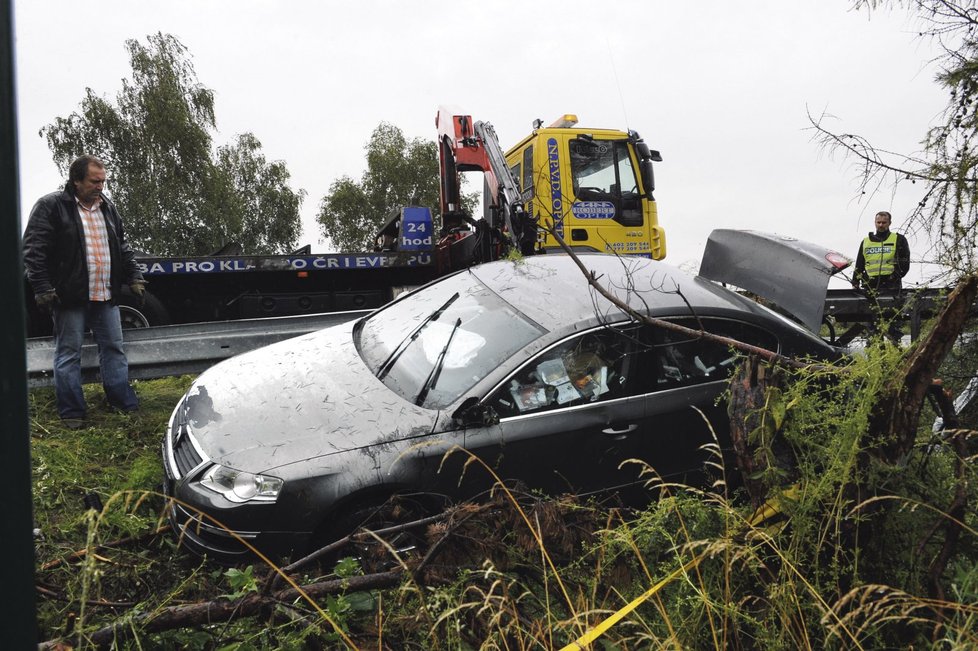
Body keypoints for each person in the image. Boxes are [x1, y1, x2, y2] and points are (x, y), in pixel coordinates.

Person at [23, 155, 146, 428]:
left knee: (114, 348)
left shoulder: (108, 208)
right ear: (76, 180)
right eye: (94, 181)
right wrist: (42, 287)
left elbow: (123, 247)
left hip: (105, 293)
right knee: (68, 353)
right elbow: (33, 251)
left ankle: (122, 402)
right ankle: (72, 413)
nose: (100, 186)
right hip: (70, 296)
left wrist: (135, 276)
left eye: (103, 181)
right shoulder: (52, 206)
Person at [851, 210, 911, 341]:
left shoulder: (898, 239)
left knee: (892, 321)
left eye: (884, 222)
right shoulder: (866, 241)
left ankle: (896, 348)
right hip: (870, 286)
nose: (881, 225)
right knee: (872, 323)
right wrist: (855, 280)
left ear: (889, 223)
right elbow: (859, 263)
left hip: (891, 285)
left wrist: (896, 276)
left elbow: (905, 262)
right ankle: (874, 349)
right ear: (875, 223)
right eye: (878, 222)